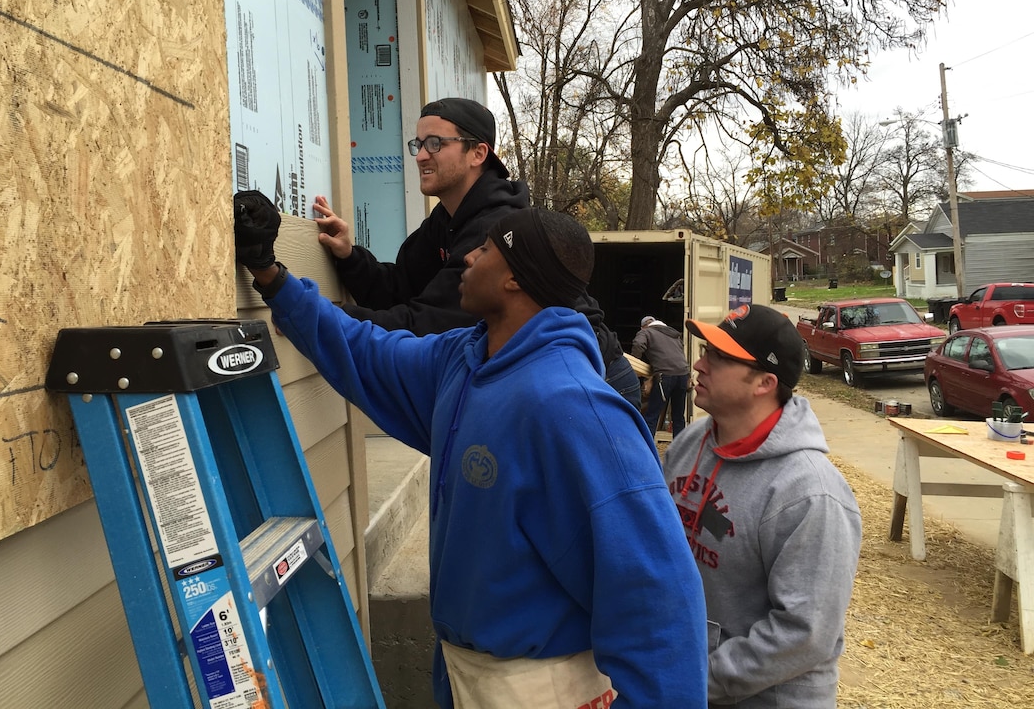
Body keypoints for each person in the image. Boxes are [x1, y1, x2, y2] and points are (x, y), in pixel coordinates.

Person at [234, 198, 708, 708]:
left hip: (543, 687)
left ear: (514, 280)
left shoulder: (576, 411)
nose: (466, 259)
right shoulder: (464, 360)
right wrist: (271, 275)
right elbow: (364, 350)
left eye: (484, 250)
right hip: (465, 675)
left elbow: (658, 602)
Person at [308, 97, 641, 409]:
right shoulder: (447, 220)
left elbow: (430, 325)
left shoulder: (496, 230)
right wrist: (349, 256)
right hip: (537, 382)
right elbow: (399, 290)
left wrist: (319, 315)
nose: (421, 155)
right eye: (418, 144)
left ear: (478, 153)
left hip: (594, 381)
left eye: (435, 143)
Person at [661, 304, 862, 708]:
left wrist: (696, 680)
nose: (699, 364)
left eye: (717, 357)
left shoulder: (810, 494)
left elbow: (804, 633)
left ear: (764, 383)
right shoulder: (690, 443)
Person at [631, 315, 690, 436]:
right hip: (683, 374)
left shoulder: (646, 332)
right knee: (678, 416)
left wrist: (635, 362)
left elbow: (638, 344)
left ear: (643, 327)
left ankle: (647, 448)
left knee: (652, 415)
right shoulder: (672, 334)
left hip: (665, 376)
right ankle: (680, 449)